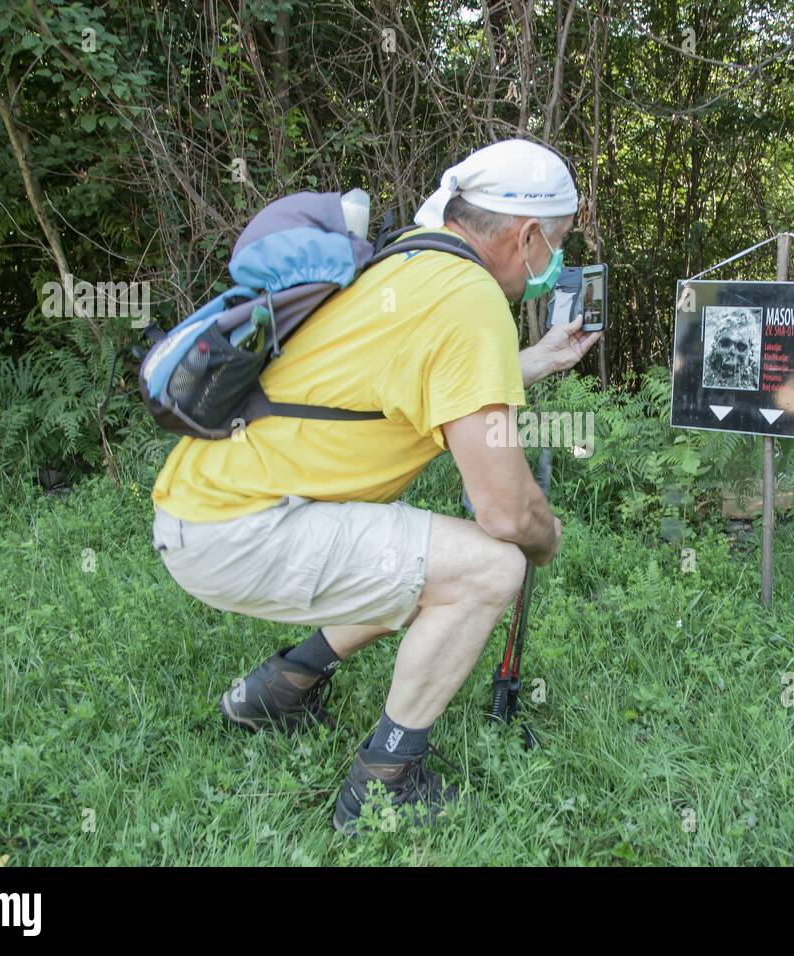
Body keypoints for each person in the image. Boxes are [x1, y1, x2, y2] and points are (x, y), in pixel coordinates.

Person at [149, 139, 600, 831]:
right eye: (557, 244)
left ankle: (279, 690)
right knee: (488, 564)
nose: (554, 265)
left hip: (204, 506)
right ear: (528, 234)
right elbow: (507, 512)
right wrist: (547, 538)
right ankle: (384, 782)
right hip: (240, 531)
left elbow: (424, 374)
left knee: (419, 554)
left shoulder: (415, 255)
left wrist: (531, 361)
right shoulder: (471, 298)